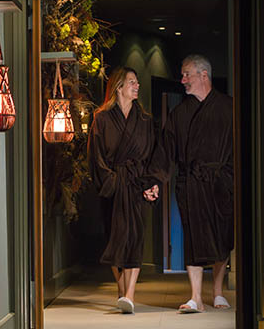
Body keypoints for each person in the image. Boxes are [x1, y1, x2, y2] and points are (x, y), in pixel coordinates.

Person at [146, 54, 234, 313]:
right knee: (192, 238)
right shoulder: (179, 113)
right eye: (182, 75)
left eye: (187, 75)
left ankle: (217, 293)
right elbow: (165, 150)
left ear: (203, 75)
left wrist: (233, 179)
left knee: (222, 237)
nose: (182, 80)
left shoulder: (229, 107)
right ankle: (196, 296)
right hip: (191, 184)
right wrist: (155, 180)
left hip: (221, 184)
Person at [87, 67, 159, 314]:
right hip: (114, 186)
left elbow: (152, 157)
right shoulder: (102, 119)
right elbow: (95, 156)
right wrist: (112, 182)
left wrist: (151, 183)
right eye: (132, 82)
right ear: (118, 87)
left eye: (137, 82)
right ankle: (121, 287)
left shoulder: (146, 121)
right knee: (114, 239)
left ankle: (129, 294)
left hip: (137, 184)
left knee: (135, 237)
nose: (137, 86)